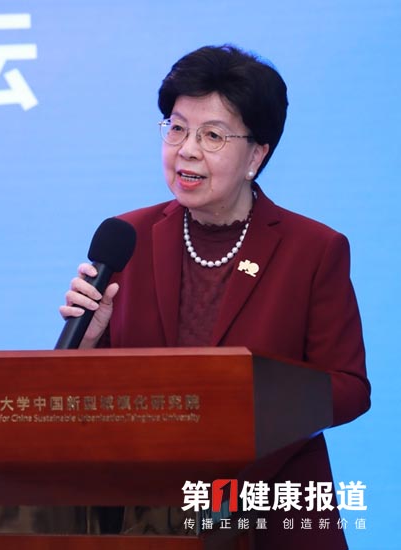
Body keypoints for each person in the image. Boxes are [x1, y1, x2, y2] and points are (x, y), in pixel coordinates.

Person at [60, 44, 371, 549]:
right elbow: (76, 398)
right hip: (147, 514)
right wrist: (90, 340)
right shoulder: (127, 238)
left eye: (212, 135)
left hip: (271, 510)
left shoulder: (314, 249)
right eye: (177, 128)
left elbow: (350, 387)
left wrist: (245, 402)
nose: (186, 149)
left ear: (256, 155)